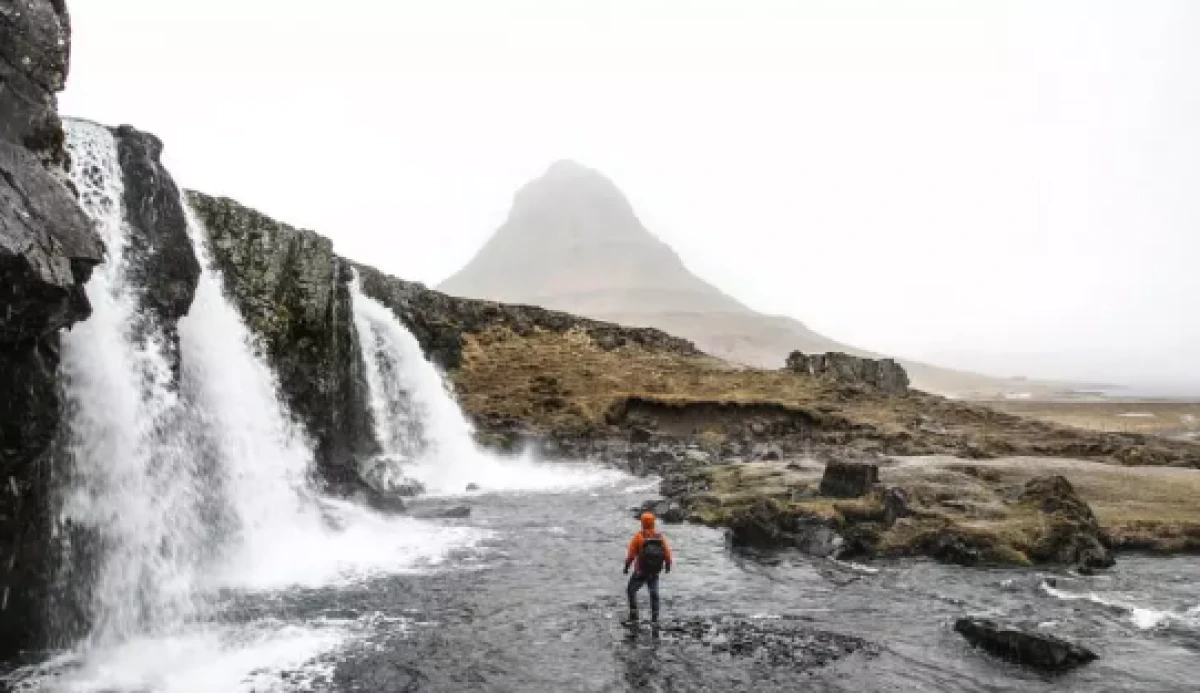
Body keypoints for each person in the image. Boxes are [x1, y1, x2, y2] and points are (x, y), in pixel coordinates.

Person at [623, 511, 673, 624]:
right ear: (653, 523)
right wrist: (668, 566)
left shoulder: (638, 537)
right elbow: (667, 554)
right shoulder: (659, 537)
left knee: (631, 590)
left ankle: (634, 612)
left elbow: (631, 555)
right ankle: (655, 616)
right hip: (654, 571)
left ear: (642, 523)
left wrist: (626, 567)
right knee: (654, 593)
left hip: (640, 571)